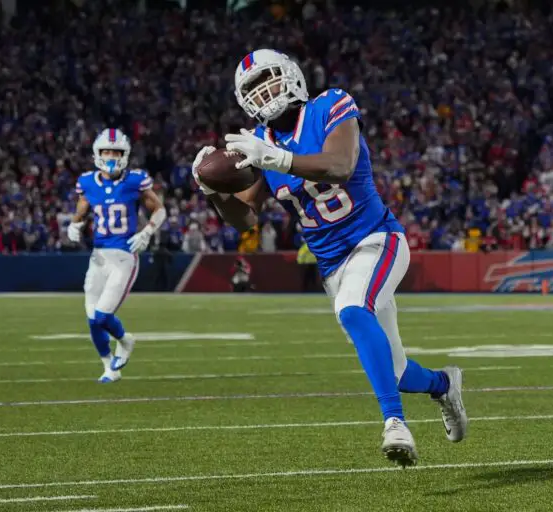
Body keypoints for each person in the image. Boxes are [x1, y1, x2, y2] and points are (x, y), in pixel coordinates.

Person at [192, 49, 467, 466]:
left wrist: (279, 159)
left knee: (354, 310)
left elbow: (340, 164)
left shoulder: (330, 105)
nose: (263, 91)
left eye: (268, 79)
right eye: (252, 88)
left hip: (376, 239)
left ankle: (395, 424)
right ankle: (444, 385)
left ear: (291, 76)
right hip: (332, 264)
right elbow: (245, 219)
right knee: (392, 369)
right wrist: (214, 192)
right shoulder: (260, 142)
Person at [68, 128, 167, 383]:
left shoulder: (135, 180)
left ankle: (125, 341)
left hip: (124, 255)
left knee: (102, 315)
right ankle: (109, 367)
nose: (111, 156)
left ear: (125, 155)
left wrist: (147, 232)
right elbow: (81, 209)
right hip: (98, 257)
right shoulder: (88, 182)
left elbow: (160, 210)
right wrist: (74, 224)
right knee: (92, 319)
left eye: (116, 152)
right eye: (107, 151)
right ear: (97, 154)